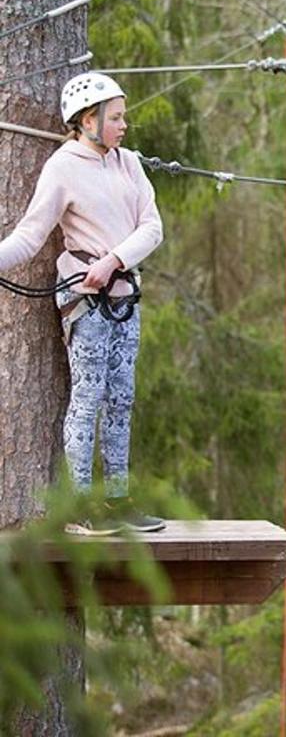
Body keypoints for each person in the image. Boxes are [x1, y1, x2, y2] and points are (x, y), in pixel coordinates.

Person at [0, 72, 165, 536]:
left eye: (123, 116)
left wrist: (114, 259)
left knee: (121, 399)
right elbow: (30, 236)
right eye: (115, 118)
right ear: (87, 121)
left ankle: (117, 499)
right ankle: (79, 505)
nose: (123, 125)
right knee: (88, 398)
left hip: (123, 295)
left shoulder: (129, 163)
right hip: (85, 299)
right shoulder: (62, 167)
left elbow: (152, 228)